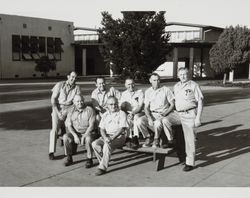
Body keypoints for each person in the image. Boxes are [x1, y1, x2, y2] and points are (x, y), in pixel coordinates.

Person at [173, 67, 204, 172]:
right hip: (178, 114)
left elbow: (200, 102)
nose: (183, 76)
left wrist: (198, 118)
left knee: (190, 140)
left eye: (185, 74)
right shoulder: (176, 86)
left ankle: (189, 163)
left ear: (188, 74)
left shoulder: (193, 85)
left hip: (190, 114)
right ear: (178, 75)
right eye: (180, 74)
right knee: (165, 122)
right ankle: (168, 144)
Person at [92, 96, 128, 176]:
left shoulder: (122, 113)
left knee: (107, 145)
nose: (113, 106)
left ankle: (102, 168)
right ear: (107, 106)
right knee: (95, 144)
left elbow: (122, 128)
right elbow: (102, 129)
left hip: (119, 137)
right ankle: (103, 161)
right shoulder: (105, 115)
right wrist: (105, 137)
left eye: (115, 104)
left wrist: (111, 138)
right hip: (107, 136)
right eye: (111, 104)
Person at [49, 71, 81, 160]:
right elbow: (53, 100)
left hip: (70, 108)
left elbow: (77, 101)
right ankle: (51, 152)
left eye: (75, 77)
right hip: (58, 108)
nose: (73, 79)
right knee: (54, 129)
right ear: (68, 76)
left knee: (71, 127)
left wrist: (73, 113)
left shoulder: (77, 88)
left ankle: (69, 153)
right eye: (72, 77)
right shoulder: (59, 85)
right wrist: (58, 112)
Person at [139, 73, 176, 148]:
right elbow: (146, 107)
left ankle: (156, 139)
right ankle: (148, 137)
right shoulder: (148, 91)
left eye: (158, 80)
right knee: (139, 121)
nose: (157, 82)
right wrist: (149, 118)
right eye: (154, 80)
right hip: (152, 113)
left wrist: (166, 113)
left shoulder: (166, 90)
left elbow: (172, 104)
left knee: (157, 123)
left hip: (163, 114)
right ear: (150, 81)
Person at [63, 95, 98, 168]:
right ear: (74, 102)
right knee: (66, 137)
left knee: (88, 139)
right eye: (77, 101)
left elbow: (91, 126)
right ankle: (69, 157)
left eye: (81, 100)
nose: (80, 103)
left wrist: (84, 136)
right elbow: (69, 125)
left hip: (89, 132)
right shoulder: (71, 111)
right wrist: (75, 136)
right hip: (77, 133)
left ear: (84, 100)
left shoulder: (90, 110)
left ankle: (89, 159)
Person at [119, 77, 145, 148]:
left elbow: (140, 106)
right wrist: (127, 114)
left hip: (138, 113)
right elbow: (121, 106)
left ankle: (135, 137)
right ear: (125, 85)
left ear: (134, 84)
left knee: (136, 117)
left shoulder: (139, 92)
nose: (131, 86)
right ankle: (128, 138)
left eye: (132, 84)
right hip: (128, 113)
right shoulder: (124, 94)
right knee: (126, 117)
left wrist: (133, 113)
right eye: (128, 84)